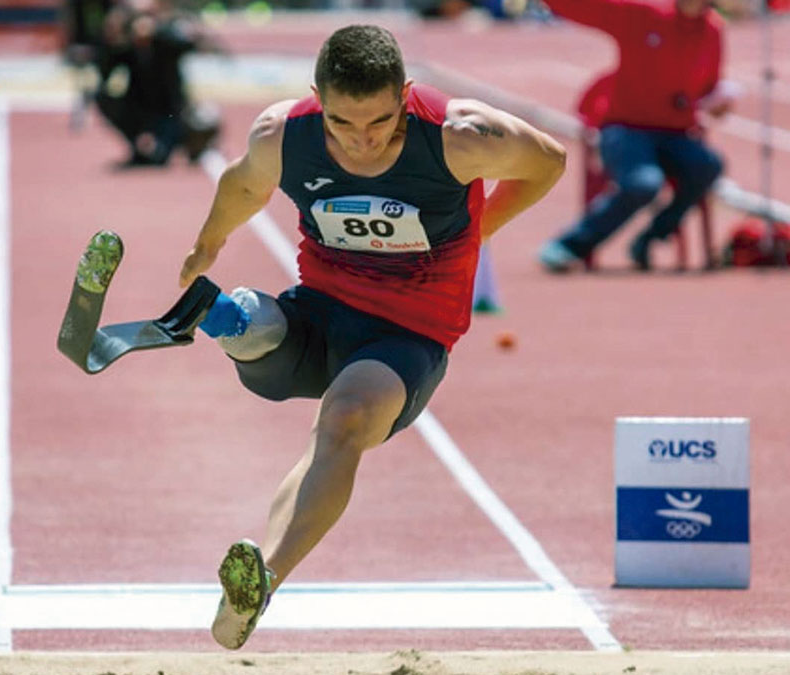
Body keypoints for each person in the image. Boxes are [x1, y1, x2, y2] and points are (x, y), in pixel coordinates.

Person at [177, 24, 566, 649]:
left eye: (380, 123)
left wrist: (482, 228)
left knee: (346, 419)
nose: (360, 141)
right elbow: (244, 184)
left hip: (407, 334)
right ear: (316, 99)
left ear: (406, 96)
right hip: (319, 311)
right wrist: (207, 243)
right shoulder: (286, 133)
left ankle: (261, 580)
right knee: (255, 324)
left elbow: (549, 160)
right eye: (341, 124)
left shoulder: (460, 136)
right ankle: (228, 316)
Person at [537, 0, 734, 271]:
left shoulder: (713, 30)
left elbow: (708, 86)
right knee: (643, 183)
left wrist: (718, 103)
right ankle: (571, 244)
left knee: (708, 165)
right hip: (625, 129)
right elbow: (587, 8)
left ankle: (651, 237)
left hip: (676, 132)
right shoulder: (644, 15)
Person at [93, 0, 223, 166]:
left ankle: (192, 145)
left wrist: (160, 32)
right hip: (142, 112)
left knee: (162, 153)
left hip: (171, 113)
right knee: (102, 96)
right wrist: (110, 41)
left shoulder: (166, 43)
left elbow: (191, 44)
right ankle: (137, 143)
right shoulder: (127, 50)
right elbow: (105, 73)